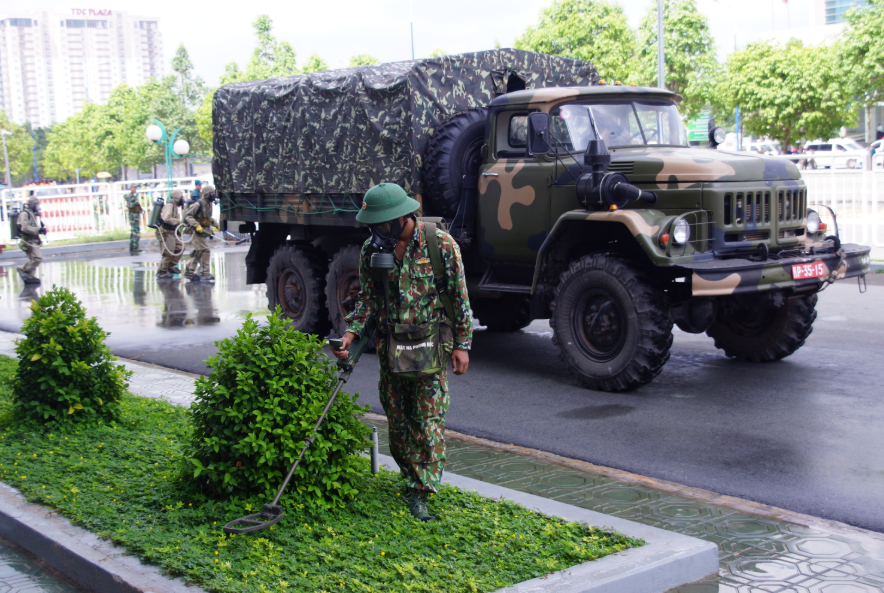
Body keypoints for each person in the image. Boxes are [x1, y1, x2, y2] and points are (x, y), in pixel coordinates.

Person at [333, 182, 472, 522]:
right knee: (398, 423)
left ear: (401, 218)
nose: (377, 231)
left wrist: (463, 345)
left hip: (429, 346)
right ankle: (410, 474)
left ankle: (421, 490)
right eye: (373, 225)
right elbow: (368, 299)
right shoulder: (371, 250)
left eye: (382, 224)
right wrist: (351, 333)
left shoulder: (441, 245)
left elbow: (460, 298)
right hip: (391, 348)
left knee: (428, 421)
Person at [184, 184, 217, 282]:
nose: (213, 195)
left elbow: (207, 217)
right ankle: (205, 273)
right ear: (207, 194)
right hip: (198, 233)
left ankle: (189, 273)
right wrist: (196, 225)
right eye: (211, 193)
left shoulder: (208, 204)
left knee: (197, 253)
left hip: (204, 232)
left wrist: (215, 224)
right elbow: (188, 215)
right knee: (206, 250)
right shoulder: (198, 204)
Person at [156, 189, 185, 279]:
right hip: (166, 232)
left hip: (172, 231)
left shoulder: (174, 206)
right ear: (177, 197)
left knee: (180, 248)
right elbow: (166, 218)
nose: (183, 199)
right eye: (181, 197)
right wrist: (177, 221)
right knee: (168, 253)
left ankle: (170, 266)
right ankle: (162, 271)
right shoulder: (170, 205)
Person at [16, 197, 45, 285]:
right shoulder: (24, 214)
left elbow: (33, 227)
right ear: (32, 205)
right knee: (37, 258)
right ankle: (22, 268)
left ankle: (30, 276)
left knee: (33, 259)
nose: (37, 206)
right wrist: (38, 230)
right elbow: (25, 228)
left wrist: (39, 236)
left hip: (33, 240)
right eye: (36, 204)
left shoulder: (32, 213)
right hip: (27, 241)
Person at [125, 186, 143, 255]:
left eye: (136, 188)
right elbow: (130, 206)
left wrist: (140, 209)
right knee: (135, 231)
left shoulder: (133, 196)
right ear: (131, 188)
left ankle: (133, 246)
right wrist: (136, 202)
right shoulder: (129, 196)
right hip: (133, 216)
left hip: (135, 215)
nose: (135, 189)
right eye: (134, 188)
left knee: (135, 231)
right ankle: (134, 247)